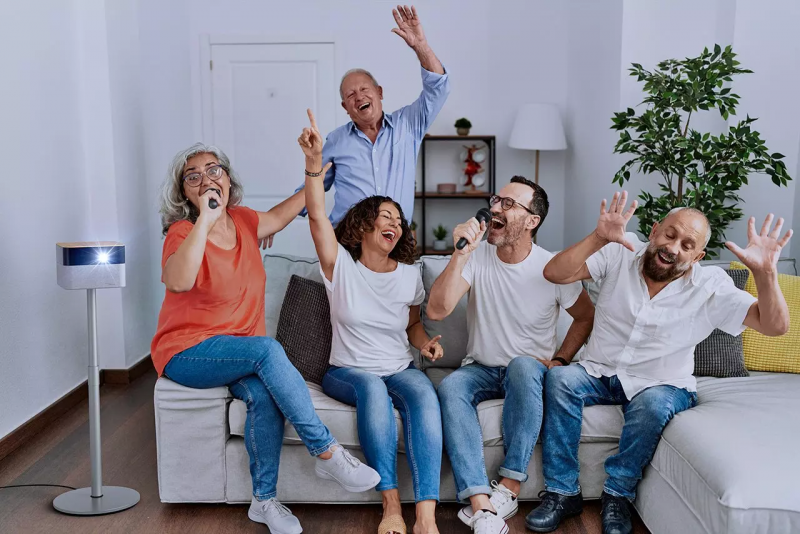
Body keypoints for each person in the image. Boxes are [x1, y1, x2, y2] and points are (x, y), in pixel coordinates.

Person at [528, 191, 792, 534]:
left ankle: (617, 495)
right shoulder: (620, 251)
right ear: (654, 231)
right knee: (560, 380)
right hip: (598, 371)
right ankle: (563, 492)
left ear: (697, 257)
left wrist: (766, 274)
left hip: (662, 383)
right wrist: (598, 237)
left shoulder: (711, 285)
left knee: (653, 404)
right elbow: (554, 273)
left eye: (687, 245)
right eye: (670, 234)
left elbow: (774, 326)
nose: (673, 247)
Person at [151, 143, 381, 534]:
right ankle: (326, 452)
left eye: (213, 169)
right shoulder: (183, 232)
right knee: (268, 350)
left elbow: (291, 209)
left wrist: (314, 169)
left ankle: (263, 501)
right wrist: (205, 221)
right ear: (185, 193)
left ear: (227, 179)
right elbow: (179, 280)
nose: (206, 179)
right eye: (193, 176)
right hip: (187, 352)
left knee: (264, 396)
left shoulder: (244, 220)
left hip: (237, 353)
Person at [298, 109, 445, 534]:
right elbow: (317, 216)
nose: (395, 224)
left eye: (399, 220)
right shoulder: (340, 266)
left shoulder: (409, 275)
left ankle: (426, 517)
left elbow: (412, 326)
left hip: (398, 367)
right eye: (386, 216)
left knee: (425, 397)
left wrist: (424, 343)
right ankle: (391, 506)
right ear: (364, 224)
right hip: (348, 371)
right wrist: (314, 164)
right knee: (371, 389)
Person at [426, 177, 596, 534]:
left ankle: (510, 487)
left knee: (522, 365)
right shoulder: (477, 257)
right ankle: (480, 503)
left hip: (527, 373)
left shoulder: (552, 267)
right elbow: (438, 310)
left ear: (532, 220)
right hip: (481, 368)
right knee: (451, 386)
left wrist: (562, 359)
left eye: (508, 203)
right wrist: (460, 253)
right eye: (495, 200)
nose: (495, 208)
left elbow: (585, 316)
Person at [296, 5, 449, 225]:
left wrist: (420, 46)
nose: (359, 97)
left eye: (364, 89)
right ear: (345, 107)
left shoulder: (408, 124)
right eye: (351, 95)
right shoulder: (336, 140)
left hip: (395, 238)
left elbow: (439, 88)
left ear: (379, 92)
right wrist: (275, 222)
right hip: (347, 241)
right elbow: (312, 188)